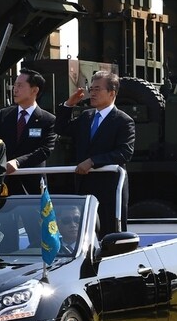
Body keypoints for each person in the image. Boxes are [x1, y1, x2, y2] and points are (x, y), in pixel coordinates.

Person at [54, 71, 135, 234]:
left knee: (110, 235)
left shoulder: (123, 121)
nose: (92, 93)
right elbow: (61, 128)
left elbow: (124, 152)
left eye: (97, 89)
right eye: (91, 89)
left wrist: (93, 161)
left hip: (109, 188)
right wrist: (69, 105)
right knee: (85, 234)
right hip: (85, 186)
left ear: (112, 93)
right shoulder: (86, 116)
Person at [0, 68, 57, 195]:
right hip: (4, 183)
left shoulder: (48, 120)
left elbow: (45, 150)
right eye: (15, 85)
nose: (15, 89)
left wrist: (18, 162)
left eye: (20, 85)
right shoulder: (4, 115)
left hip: (32, 185)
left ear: (34, 90)